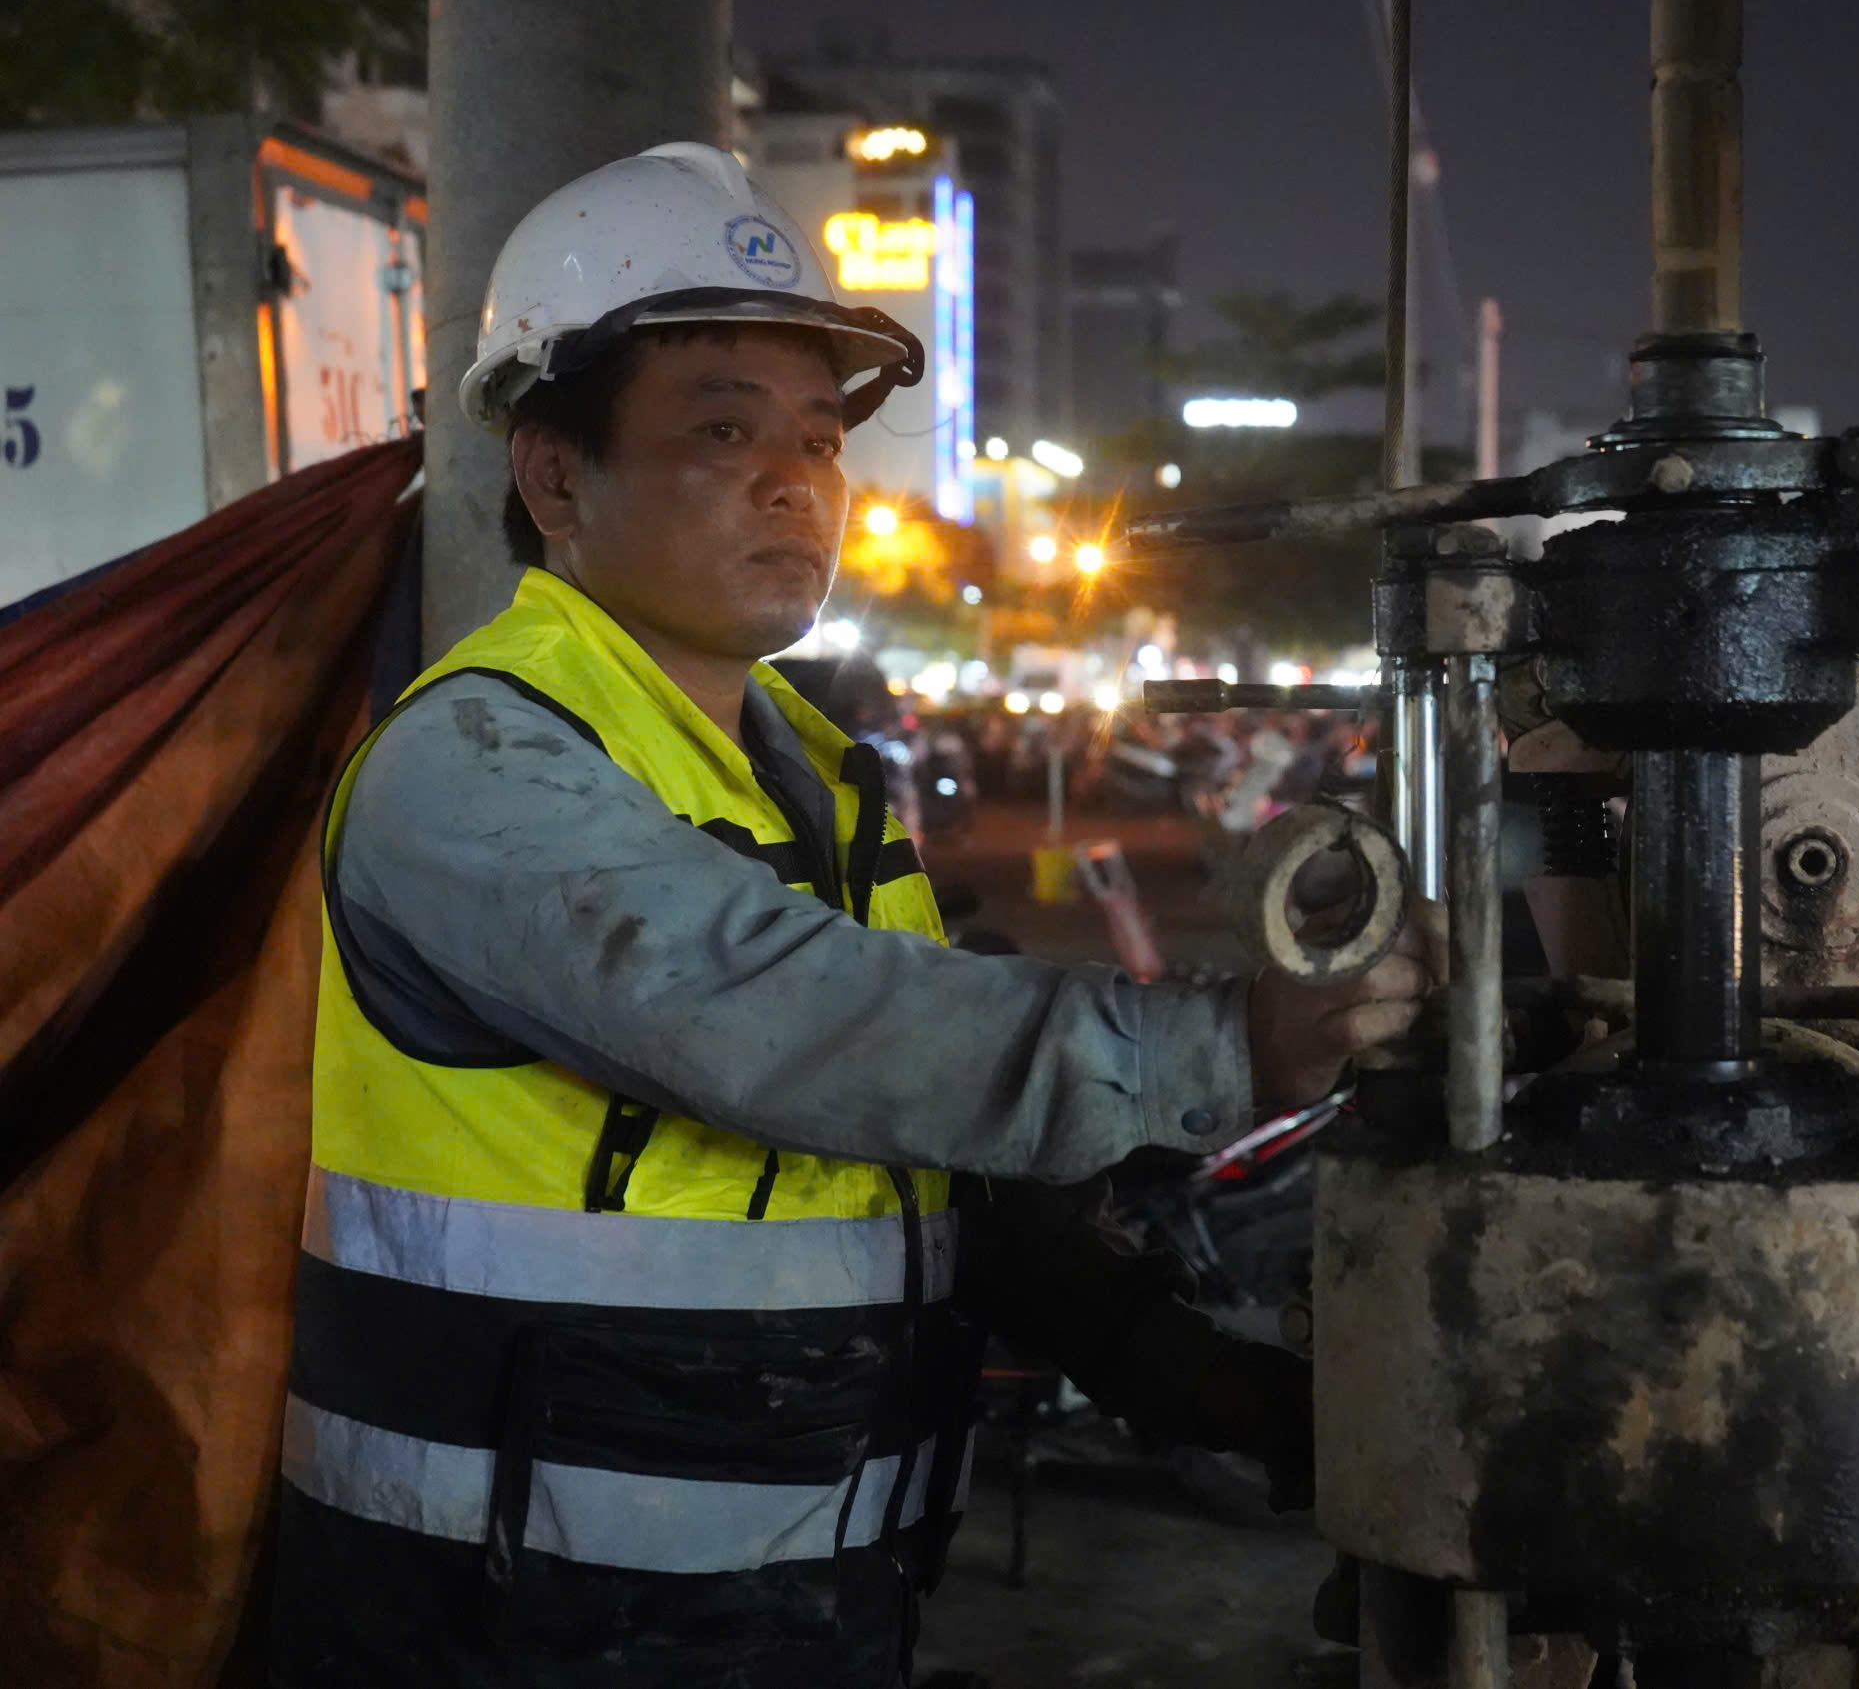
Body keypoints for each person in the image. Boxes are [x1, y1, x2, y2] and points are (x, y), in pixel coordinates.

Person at [270, 144, 1438, 1688]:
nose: (795, 481)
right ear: (554, 476)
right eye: (723, 430)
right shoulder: (472, 765)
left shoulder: (812, 780)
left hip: (794, 1601)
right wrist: (1224, 1043)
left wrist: (1201, 1380)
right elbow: (790, 1019)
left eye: (821, 439)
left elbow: (931, 1161)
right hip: (499, 1617)